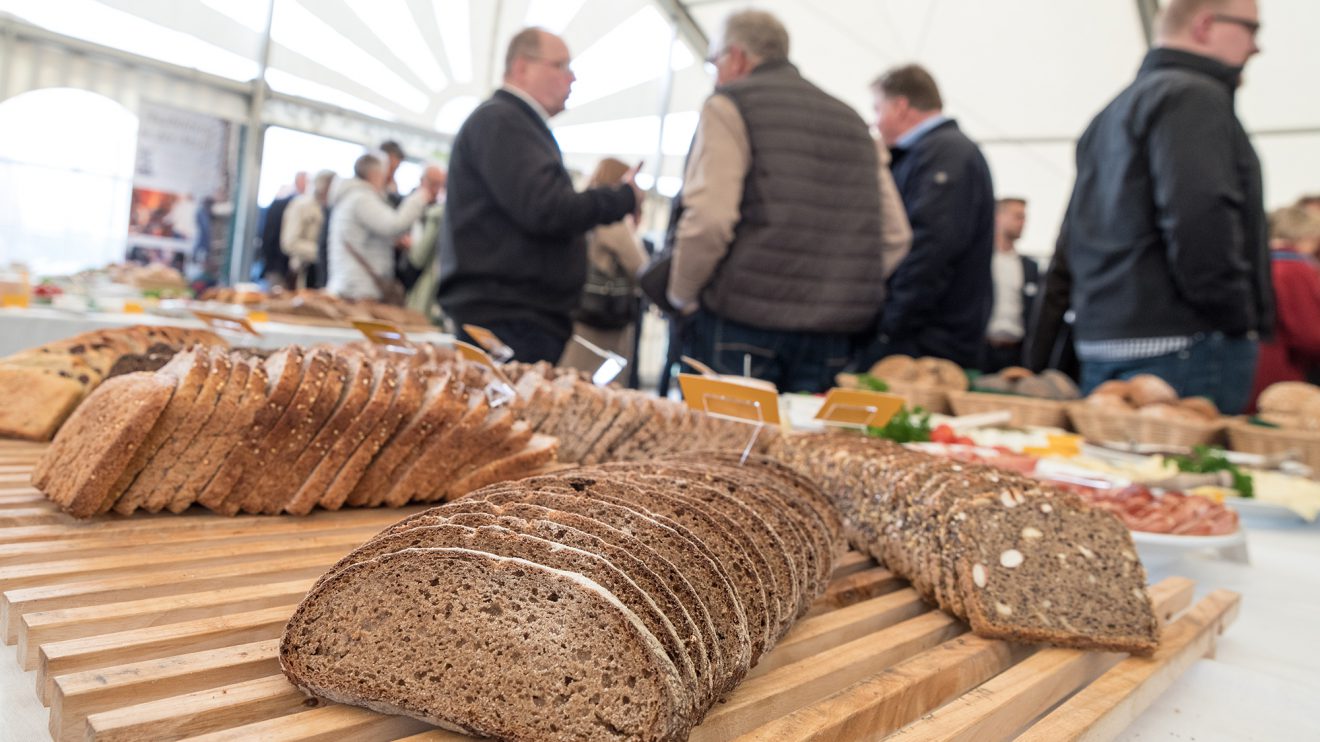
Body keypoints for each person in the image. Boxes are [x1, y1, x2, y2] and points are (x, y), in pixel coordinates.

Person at [667, 10, 911, 392]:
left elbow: (711, 219)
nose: (715, 73)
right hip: (831, 334)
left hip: (741, 323)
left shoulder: (728, 105)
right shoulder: (852, 120)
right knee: (804, 449)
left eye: (715, 62)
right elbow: (896, 236)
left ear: (738, 57)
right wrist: (840, 287)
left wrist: (681, 293)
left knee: (718, 448)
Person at [1062, 0, 1270, 414]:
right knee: (1188, 478)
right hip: (1183, 345)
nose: (1255, 47)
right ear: (1206, 25)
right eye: (1251, 29)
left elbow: (1072, 237)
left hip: (1106, 338)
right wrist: (1235, 317)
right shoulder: (1194, 96)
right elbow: (1201, 216)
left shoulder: (1112, 111)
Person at [437, 27, 641, 364]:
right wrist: (622, 198)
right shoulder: (503, 120)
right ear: (522, 68)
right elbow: (547, 209)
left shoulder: (510, 122)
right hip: (510, 317)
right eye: (561, 65)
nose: (572, 78)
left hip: (515, 315)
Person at [862, 64, 995, 370]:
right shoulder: (934, 152)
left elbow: (930, 248)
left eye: (878, 108)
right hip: (926, 331)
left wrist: (889, 328)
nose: (875, 121)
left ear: (901, 106)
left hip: (929, 340)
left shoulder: (945, 154)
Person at [561, 157, 651, 375]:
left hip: (581, 310)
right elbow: (639, 265)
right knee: (597, 382)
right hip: (603, 320)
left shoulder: (583, 210)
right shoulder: (611, 219)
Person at [326, 153, 435, 302]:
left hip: (352, 283)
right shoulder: (362, 198)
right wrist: (420, 197)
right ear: (375, 174)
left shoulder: (352, 196)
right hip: (359, 287)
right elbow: (393, 225)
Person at [1247, 205, 1320, 410]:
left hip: (1248, 365)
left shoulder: (1256, 262)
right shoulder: (1295, 268)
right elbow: (1310, 337)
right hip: (1281, 373)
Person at [979, 198, 1041, 372]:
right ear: (998, 216)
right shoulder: (980, 262)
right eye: (1018, 216)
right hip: (983, 350)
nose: (1023, 223)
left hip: (1016, 354)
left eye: (1024, 218)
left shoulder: (1030, 267)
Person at [405, 165, 448, 322]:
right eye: (433, 183)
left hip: (428, 291)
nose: (436, 189)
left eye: (440, 184)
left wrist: (411, 247)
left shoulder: (437, 215)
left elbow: (418, 257)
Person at [281, 170, 334, 289]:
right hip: (305, 270)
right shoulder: (301, 205)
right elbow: (289, 242)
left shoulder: (333, 208)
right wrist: (321, 252)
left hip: (326, 272)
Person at [260, 172, 306, 289]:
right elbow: (269, 236)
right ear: (298, 183)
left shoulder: (305, 205)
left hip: (289, 267)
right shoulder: (282, 204)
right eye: (305, 182)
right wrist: (271, 264)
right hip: (278, 265)